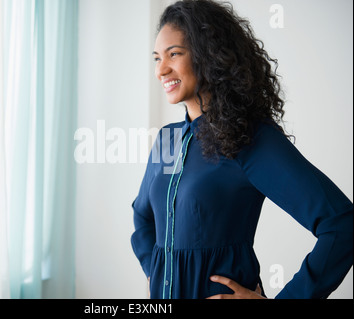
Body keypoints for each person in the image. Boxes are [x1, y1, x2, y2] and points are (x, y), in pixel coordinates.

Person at [130, 0, 353, 299]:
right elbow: (142, 217)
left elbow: (341, 223)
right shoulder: (167, 140)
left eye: (174, 54)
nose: (161, 69)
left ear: (208, 55)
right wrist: (155, 269)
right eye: (157, 58)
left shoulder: (250, 138)